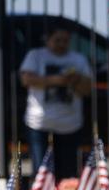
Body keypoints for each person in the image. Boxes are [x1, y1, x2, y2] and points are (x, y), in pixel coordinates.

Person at [20, 23, 92, 179]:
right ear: (48, 39)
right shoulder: (36, 55)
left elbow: (87, 89)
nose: (61, 44)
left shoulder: (78, 59)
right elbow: (26, 79)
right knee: (41, 171)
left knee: (67, 171)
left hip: (69, 124)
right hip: (39, 122)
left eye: (65, 41)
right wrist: (58, 80)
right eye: (57, 40)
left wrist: (76, 79)